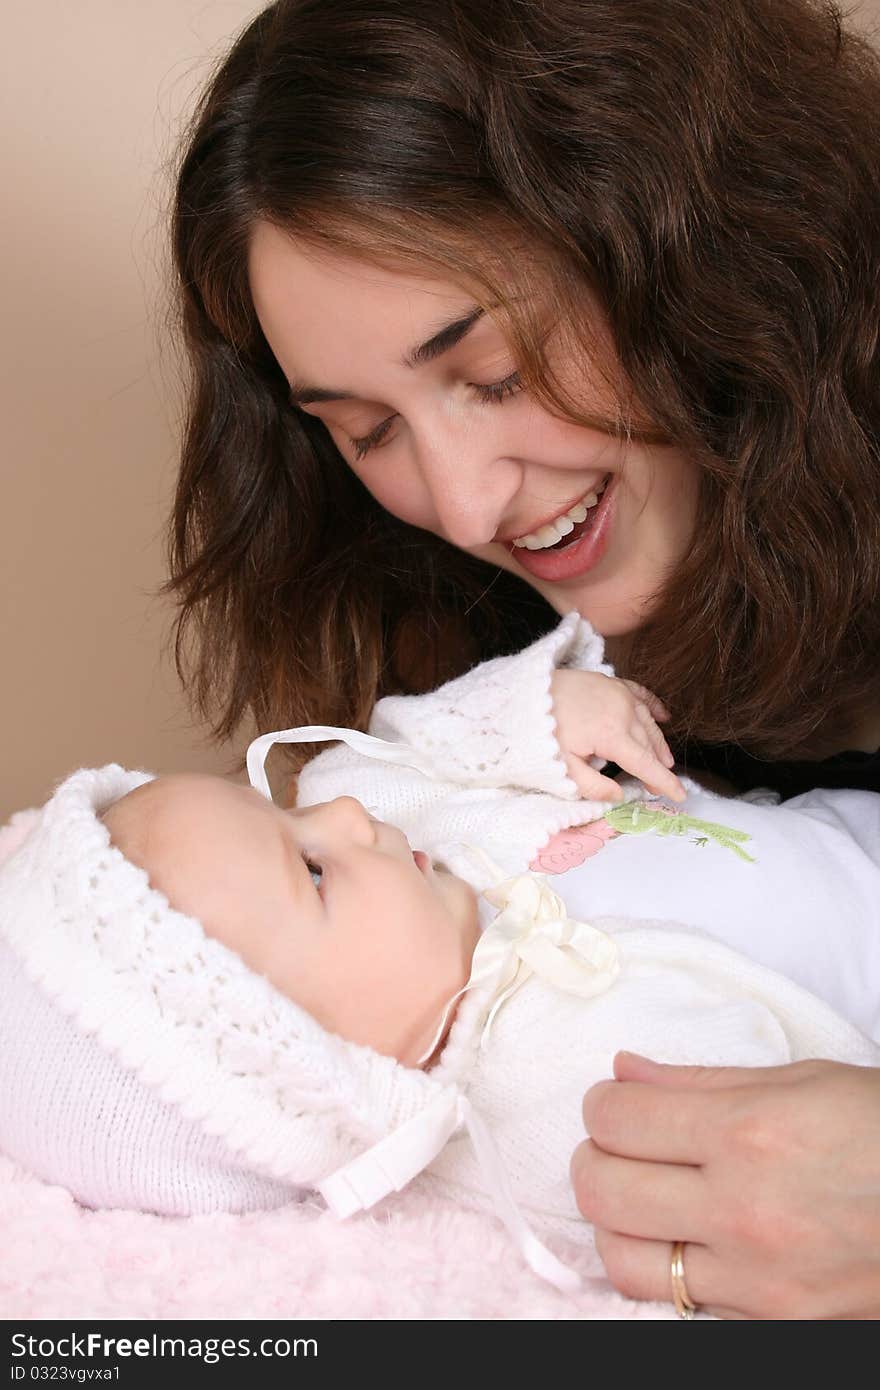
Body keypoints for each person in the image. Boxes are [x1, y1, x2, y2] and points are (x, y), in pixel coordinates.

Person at [165, 1, 880, 1316]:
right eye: (366, 429)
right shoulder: (475, 681)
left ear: (687, 240)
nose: (465, 498)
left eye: (489, 368)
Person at [1, 619, 877, 1312]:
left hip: (844, 822)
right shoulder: (546, 1108)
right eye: (311, 871)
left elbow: (423, 738)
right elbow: (777, 1185)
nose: (340, 815)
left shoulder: (385, 805)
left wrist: (543, 717)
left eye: (278, 809)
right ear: (323, 1071)